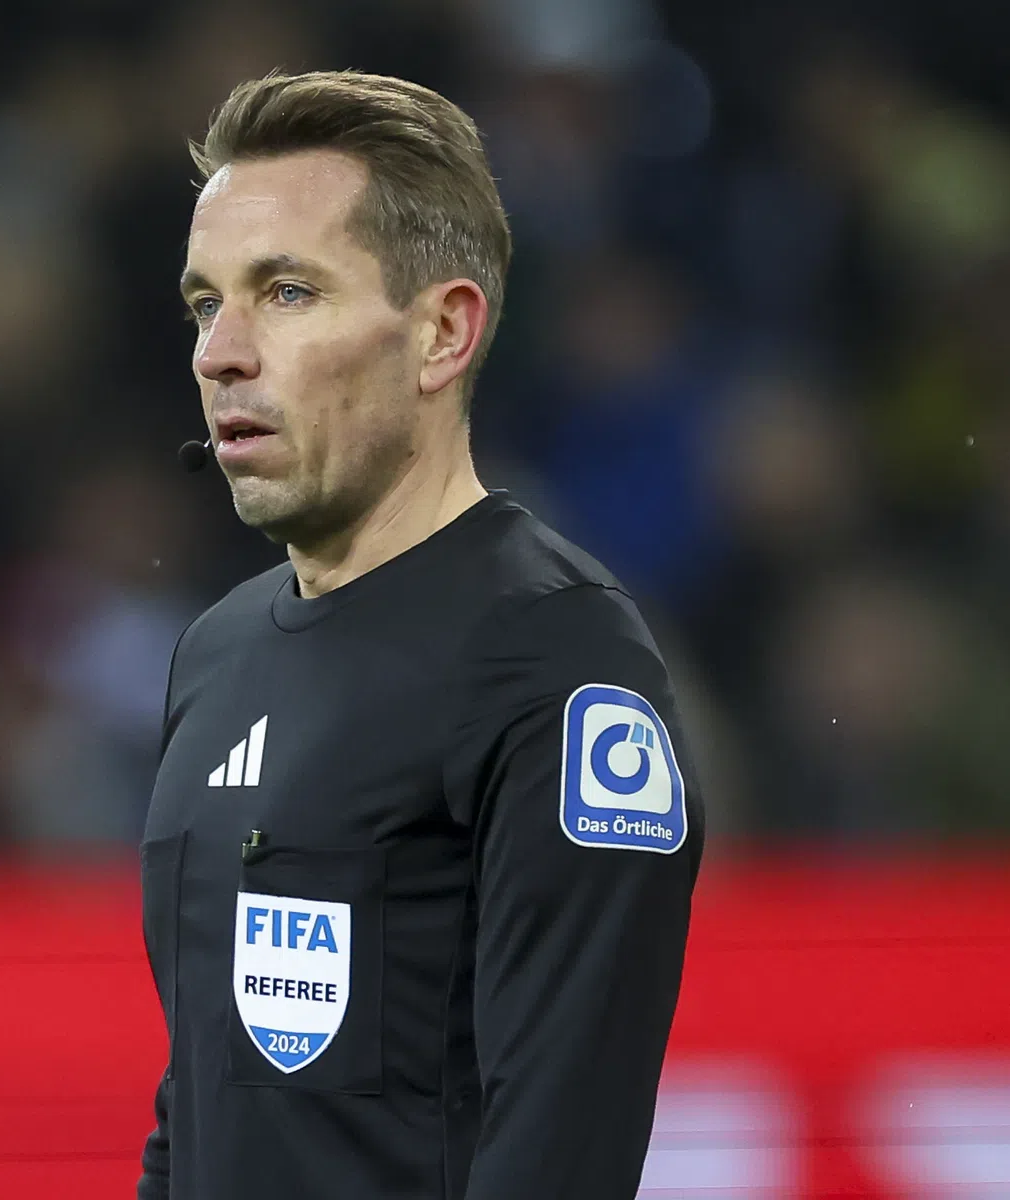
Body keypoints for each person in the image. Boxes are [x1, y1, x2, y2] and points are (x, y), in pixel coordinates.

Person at [139, 70, 704, 1200]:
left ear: (444, 332)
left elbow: (559, 1156)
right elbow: (199, 1113)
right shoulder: (216, 654)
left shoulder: (557, 665)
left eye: (288, 292)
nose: (220, 353)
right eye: (208, 304)